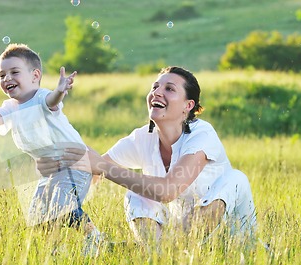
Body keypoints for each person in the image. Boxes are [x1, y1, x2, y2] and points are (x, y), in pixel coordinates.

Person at [37, 66, 257, 246]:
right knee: (137, 193)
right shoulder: (143, 137)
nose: (157, 92)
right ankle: (158, 255)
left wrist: (102, 167)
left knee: (235, 179)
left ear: (188, 106)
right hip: (183, 245)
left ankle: (179, 248)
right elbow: (94, 169)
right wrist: (59, 169)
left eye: (169, 89)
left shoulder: (202, 134)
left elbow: (169, 191)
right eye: (155, 87)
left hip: (231, 240)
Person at [0, 43, 101, 254]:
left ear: (35, 76)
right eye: (2, 75)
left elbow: (52, 101)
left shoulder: (42, 97)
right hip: (50, 170)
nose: (6, 78)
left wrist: (60, 90)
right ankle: (56, 251)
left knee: (62, 208)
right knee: (38, 216)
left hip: (74, 163)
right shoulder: (10, 107)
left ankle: (93, 235)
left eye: (14, 72)